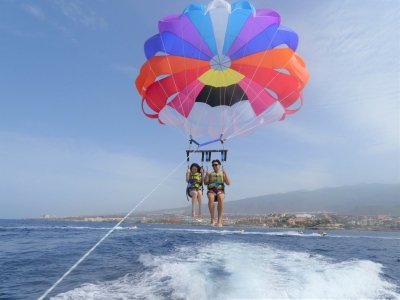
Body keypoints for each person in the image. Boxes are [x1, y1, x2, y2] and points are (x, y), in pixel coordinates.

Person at [204, 159, 231, 227]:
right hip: (212, 190)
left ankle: (219, 220)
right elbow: (205, 183)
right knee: (210, 197)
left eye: (216, 165)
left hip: (220, 191)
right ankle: (212, 219)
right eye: (213, 165)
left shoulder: (222, 174)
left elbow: (228, 183)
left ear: (219, 165)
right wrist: (207, 175)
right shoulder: (210, 174)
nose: (214, 166)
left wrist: (225, 174)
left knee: (221, 197)